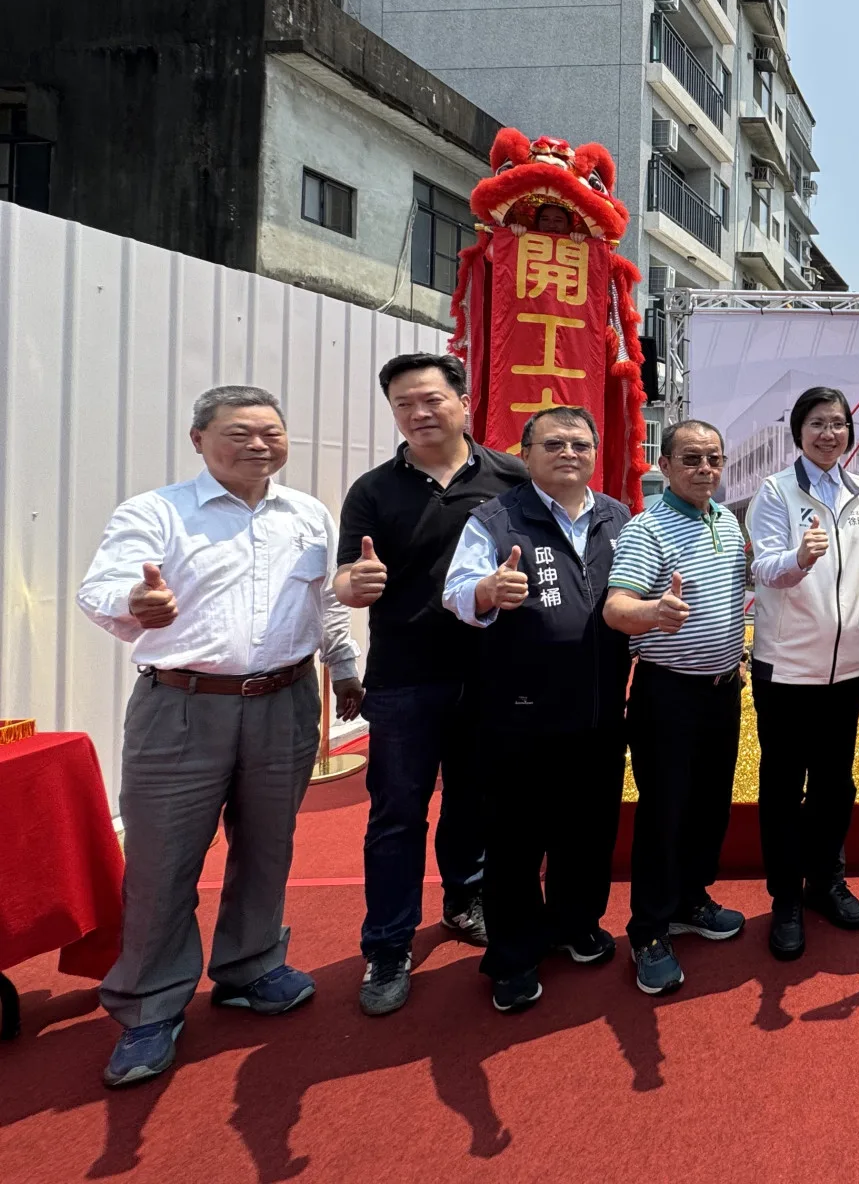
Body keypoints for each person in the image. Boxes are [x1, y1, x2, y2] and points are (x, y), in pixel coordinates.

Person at [77, 386, 363, 1088]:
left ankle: (251, 965)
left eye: (271, 432)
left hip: (285, 701)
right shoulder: (157, 512)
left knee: (268, 846)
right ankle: (149, 1005)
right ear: (198, 439)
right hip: (182, 705)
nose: (258, 445)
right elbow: (102, 586)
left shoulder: (307, 514)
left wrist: (345, 667)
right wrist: (136, 603)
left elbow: (324, 601)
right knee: (162, 859)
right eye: (239, 433)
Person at [333, 352, 526, 1016]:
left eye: (431, 399)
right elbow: (345, 577)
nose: (418, 413)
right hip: (405, 677)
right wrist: (353, 584)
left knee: (476, 802)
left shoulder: (511, 477)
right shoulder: (373, 490)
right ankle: (388, 945)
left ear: (464, 403)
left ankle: (465, 899)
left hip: (491, 671)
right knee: (396, 814)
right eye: (403, 404)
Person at [442, 407, 631, 1012]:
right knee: (516, 841)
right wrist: (487, 591)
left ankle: (577, 924)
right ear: (525, 455)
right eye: (553, 444)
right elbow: (455, 592)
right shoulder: (496, 519)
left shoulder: (617, 517)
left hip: (599, 711)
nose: (569, 453)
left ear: (595, 453)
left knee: (589, 830)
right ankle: (514, 954)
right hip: (520, 716)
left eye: (580, 444)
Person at [604, 419, 751, 995]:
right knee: (664, 813)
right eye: (691, 459)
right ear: (663, 466)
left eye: (713, 458)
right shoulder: (647, 528)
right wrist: (653, 613)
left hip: (722, 689)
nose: (705, 469)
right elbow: (616, 607)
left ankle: (690, 899)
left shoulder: (726, 520)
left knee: (710, 805)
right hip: (668, 695)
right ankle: (648, 930)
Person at [746, 386, 859, 961]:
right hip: (787, 668)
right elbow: (762, 568)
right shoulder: (776, 491)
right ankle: (786, 899)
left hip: (847, 670)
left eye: (839, 424)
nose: (830, 434)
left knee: (835, 784)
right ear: (798, 432)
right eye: (818, 424)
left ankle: (825, 881)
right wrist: (799, 559)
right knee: (782, 788)